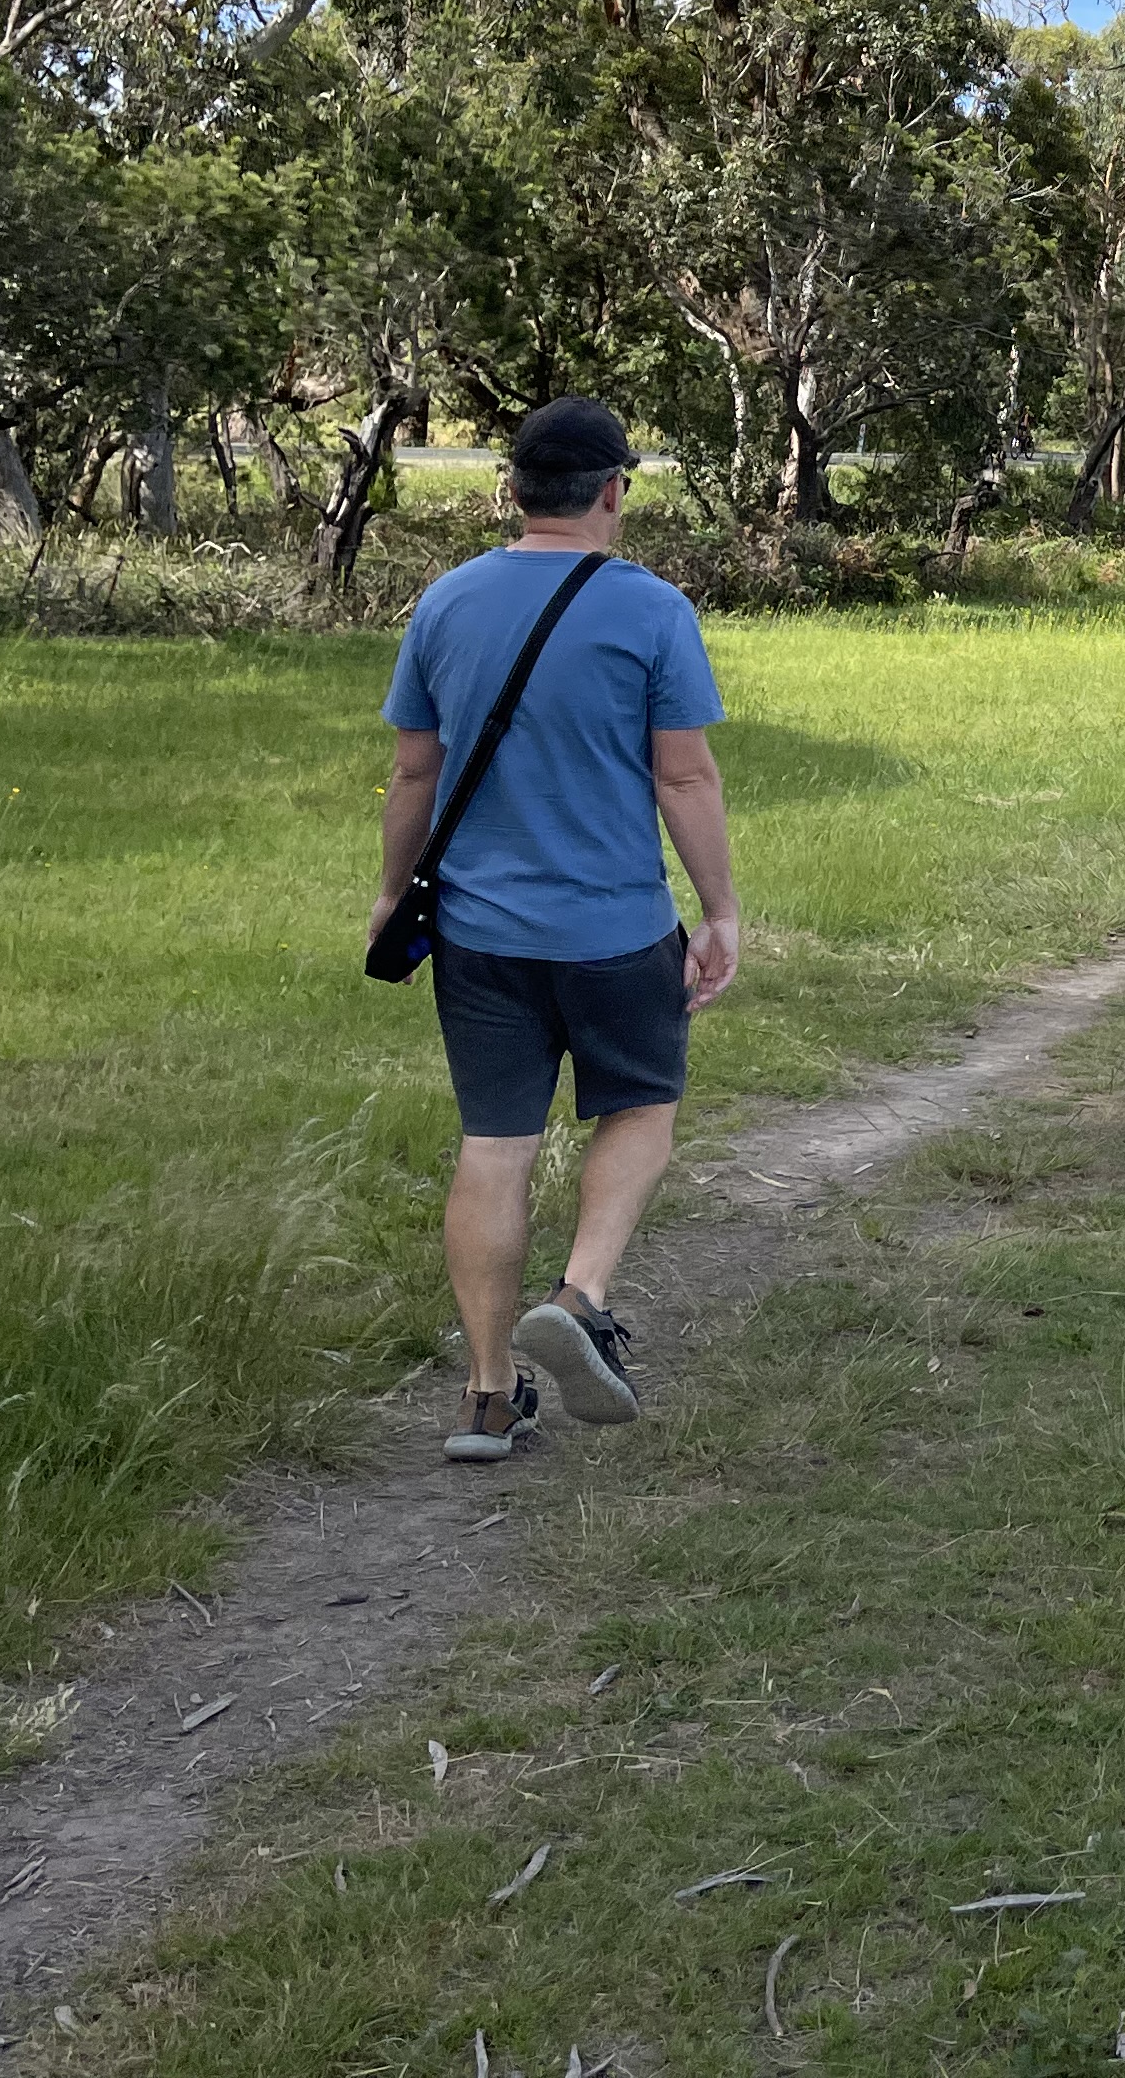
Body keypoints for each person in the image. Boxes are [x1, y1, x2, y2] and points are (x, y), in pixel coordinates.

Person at [373, 396, 740, 1464]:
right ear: (613, 491)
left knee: (495, 1144)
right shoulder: (652, 610)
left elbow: (413, 771)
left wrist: (393, 895)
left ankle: (489, 1397)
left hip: (480, 934)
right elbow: (684, 776)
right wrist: (720, 911)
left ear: (514, 490)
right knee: (642, 1106)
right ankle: (579, 1296)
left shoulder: (446, 602)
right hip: (617, 928)